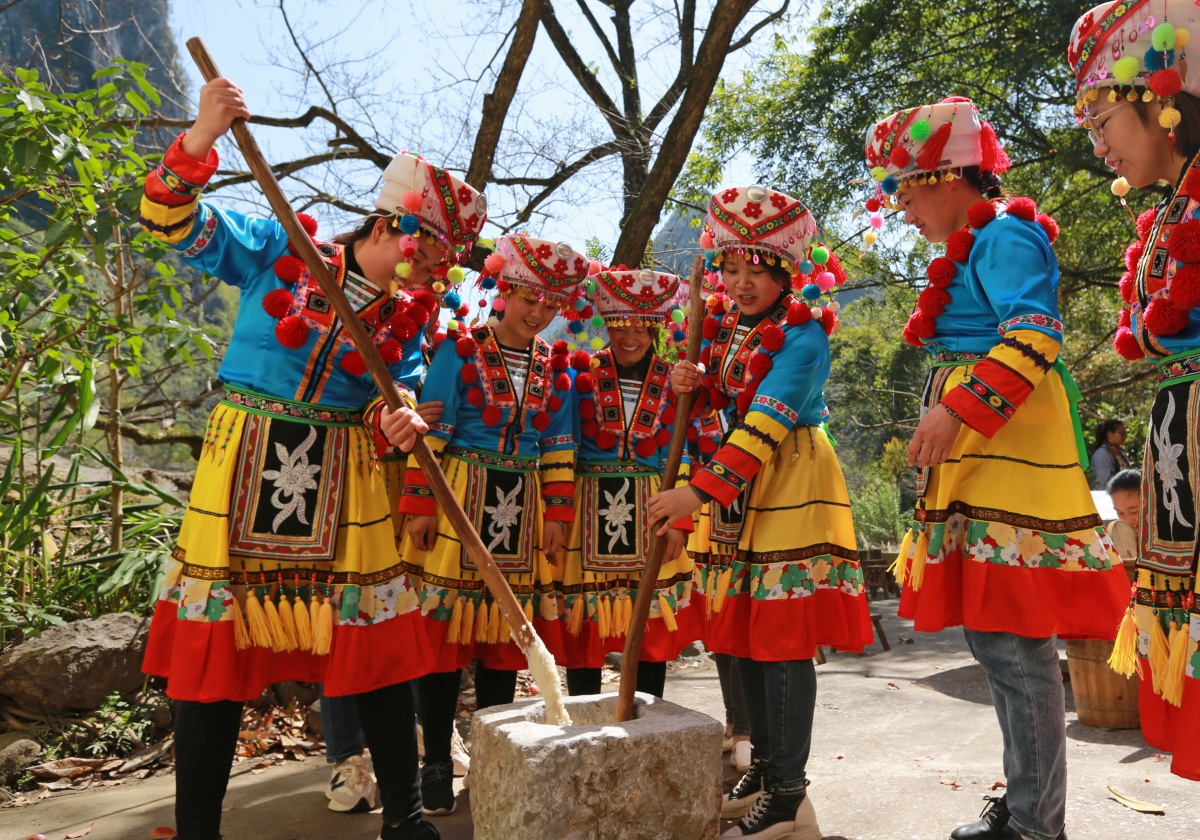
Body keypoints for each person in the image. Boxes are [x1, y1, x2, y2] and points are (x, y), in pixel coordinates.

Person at [137, 77, 487, 840]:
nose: (439, 275)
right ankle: (197, 830)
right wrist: (202, 136)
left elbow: (405, 396)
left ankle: (405, 820)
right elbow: (171, 221)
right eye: (436, 258)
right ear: (402, 231)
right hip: (245, 458)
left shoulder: (411, 320)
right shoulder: (280, 249)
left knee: (377, 645)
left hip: (348, 476)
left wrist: (398, 422)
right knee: (215, 647)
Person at [864, 95, 1131, 840]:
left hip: (1006, 453)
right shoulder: (980, 243)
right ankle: (1025, 808)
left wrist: (956, 408)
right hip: (985, 455)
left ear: (947, 176)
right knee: (999, 642)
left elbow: (1035, 335)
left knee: (1016, 647)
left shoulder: (1006, 236)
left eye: (902, 188)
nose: (900, 206)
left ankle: (1035, 824)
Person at [647, 183, 872, 839]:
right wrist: (693, 379)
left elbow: (761, 428)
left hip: (787, 482)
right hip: (736, 492)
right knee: (742, 630)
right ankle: (768, 767)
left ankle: (789, 791)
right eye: (732, 267)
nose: (742, 282)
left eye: (757, 270)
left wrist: (694, 494)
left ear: (784, 272)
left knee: (780, 640)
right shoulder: (727, 326)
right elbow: (722, 398)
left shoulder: (804, 337)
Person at [397, 234, 588, 815]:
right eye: (529, 298)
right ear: (503, 290)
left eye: (551, 304)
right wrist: (421, 503)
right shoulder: (458, 351)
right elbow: (432, 431)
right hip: (459, 497)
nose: (538, 313)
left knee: (509, 637)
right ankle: (433, 763)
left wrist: (558, 516)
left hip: (522, 508)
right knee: (441, 637)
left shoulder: (556, 369)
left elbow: (559, 446)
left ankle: (491, 754)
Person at [1069, 0, 1200, 784]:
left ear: (1161, 100)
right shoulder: (1174, 206)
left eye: (1102, 117)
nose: (1096, 143)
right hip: (1181, 428)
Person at [558, 267, 697, 699]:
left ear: (656, 327)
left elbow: (684, 449)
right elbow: (564, 443)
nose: (630, 337)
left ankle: (650, 717)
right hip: (588, 510)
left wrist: (681, 522)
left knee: (651, 631)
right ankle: (583, 721)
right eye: (620, 327)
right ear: (605, 326)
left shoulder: (676, 380)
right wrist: (560, 513)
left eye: (641, 327)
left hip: (654, 510)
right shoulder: (581, 377)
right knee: (586, 627)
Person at [1090, 419, 1131, 490]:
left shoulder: (1118, 451)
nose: (1124, 436)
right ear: (1110, 434)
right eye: (1121, 433)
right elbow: (1105, 481)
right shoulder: (1102, 454)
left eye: (1125, 433)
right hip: (1105, 497)